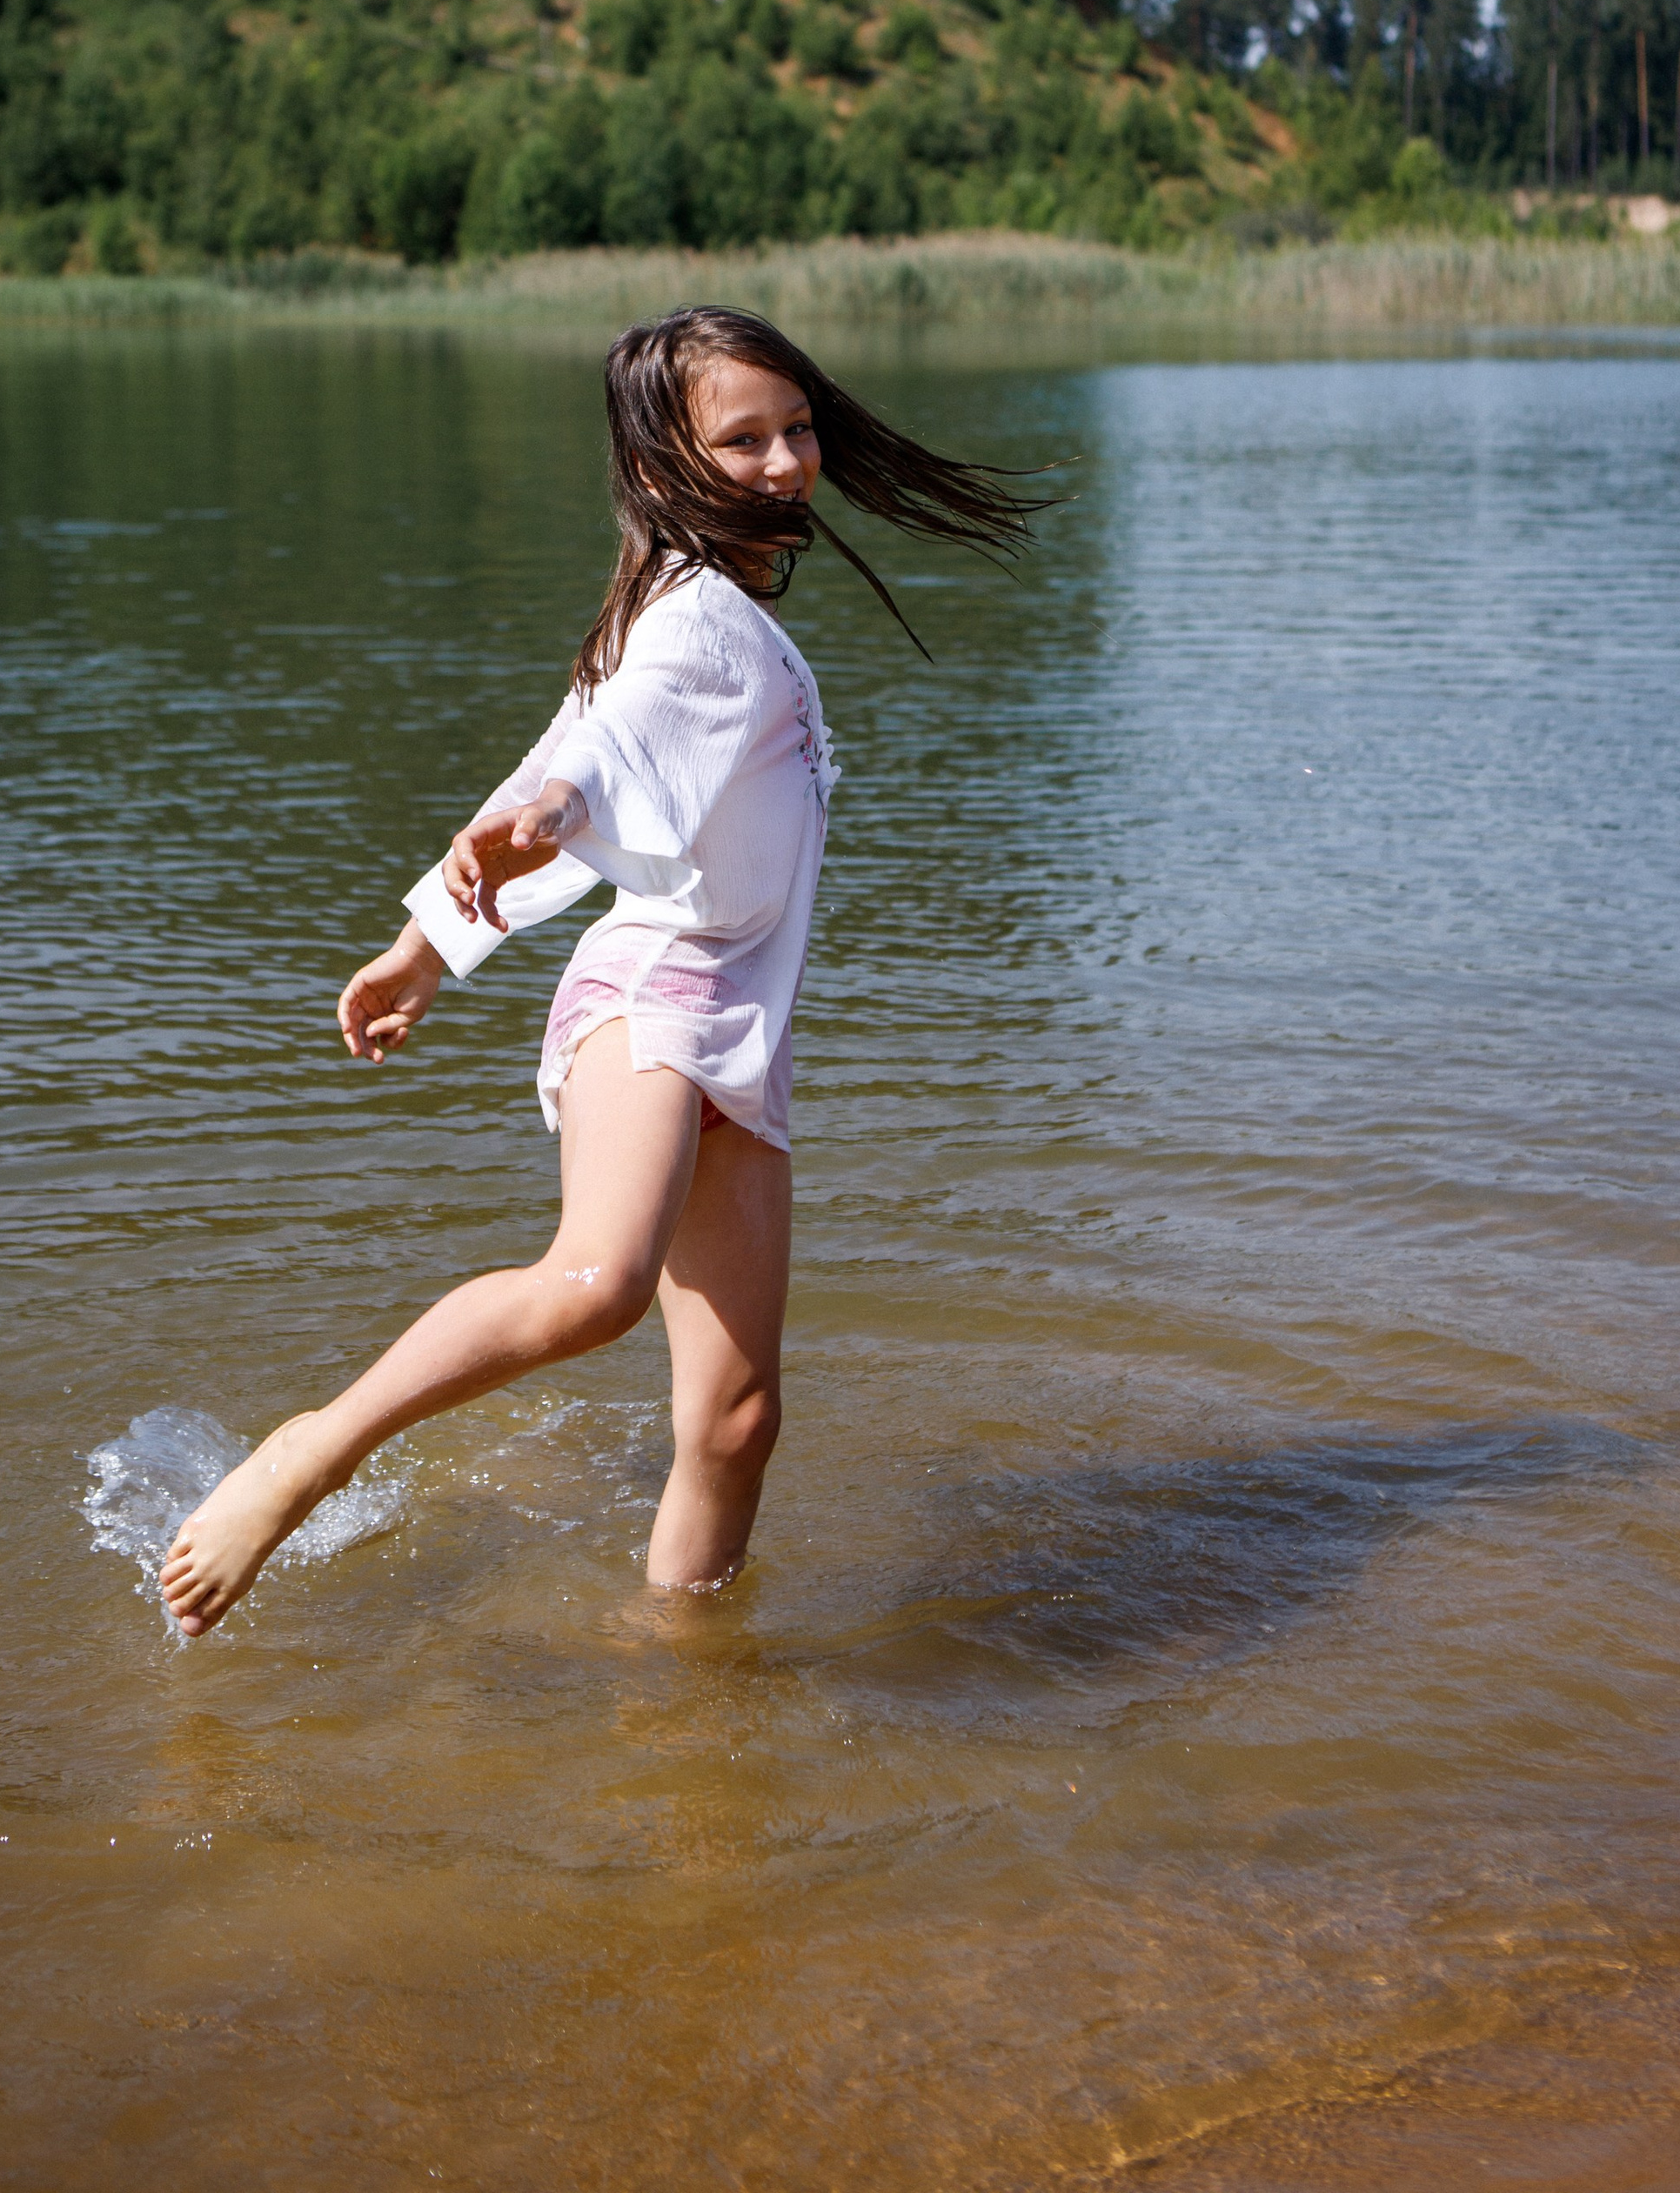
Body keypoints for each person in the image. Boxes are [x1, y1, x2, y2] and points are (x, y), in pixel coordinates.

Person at [158, 304, 1035, 1638]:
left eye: (798, 428)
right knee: (598, 1284)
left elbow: (570, 752)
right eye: (744, 440)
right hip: (656, 997)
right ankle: (307, 1454)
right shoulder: (698, 624)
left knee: (737, 1418)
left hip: (737, 1020)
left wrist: (426, 948)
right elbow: (590, 766)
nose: (788, 462)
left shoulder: (677, 602)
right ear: (660, 462)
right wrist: (544, 826)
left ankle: (672, 1674)